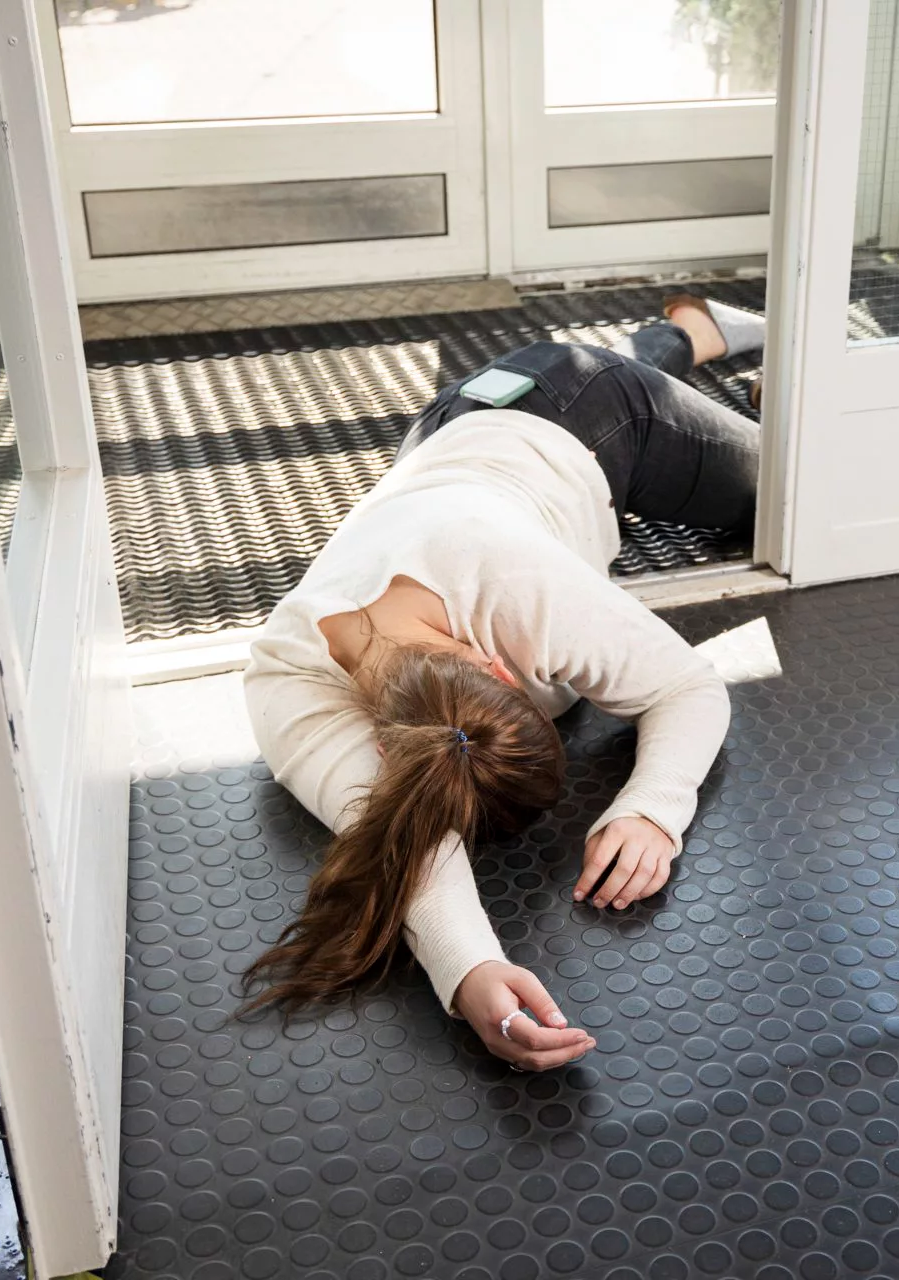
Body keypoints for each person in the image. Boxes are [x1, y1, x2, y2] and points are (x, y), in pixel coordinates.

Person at [240, 295, 768, 1072]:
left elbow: (685, 688)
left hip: (588, 414)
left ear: (498, 663)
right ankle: (689, 336)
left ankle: (700, 338)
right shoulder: (287, 681)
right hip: (455, 431)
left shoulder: (516, 583)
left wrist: (655, 809)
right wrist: (471, 970)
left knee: (791, 482)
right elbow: (402, 829)